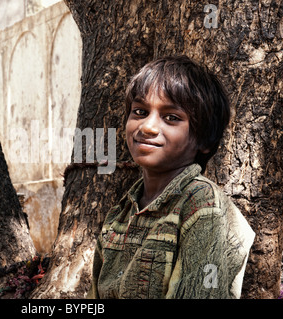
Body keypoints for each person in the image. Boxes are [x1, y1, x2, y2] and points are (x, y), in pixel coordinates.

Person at [87, 55, 255, 299]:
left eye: (171, 118)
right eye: (140, 111)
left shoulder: (201, 205)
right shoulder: (121, 213)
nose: (147, 127)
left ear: (205, 140)